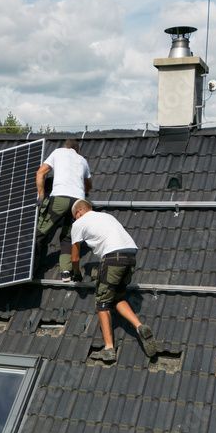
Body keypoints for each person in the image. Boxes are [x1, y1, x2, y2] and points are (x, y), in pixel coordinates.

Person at [70, 199, 158, 364]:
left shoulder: (79, 222)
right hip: (130, 256)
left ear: (78, 212)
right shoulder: (106, 216)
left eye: (75, 217)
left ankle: (109, 349)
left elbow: (74, 257)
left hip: (112, 257)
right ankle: (139, 326)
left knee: (102, 302)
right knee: (117, 297)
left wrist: (76, 274)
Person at [35, 139, 92, 281]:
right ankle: (66, 272)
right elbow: (88, 185)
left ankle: (29, 265)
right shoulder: (83, 160)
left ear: (65, 147)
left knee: (40, 234)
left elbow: (41, 173)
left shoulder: (57, 152)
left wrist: (41, 196)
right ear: (77, 150)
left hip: (60, 198)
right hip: (78, 202)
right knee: (68, 237)